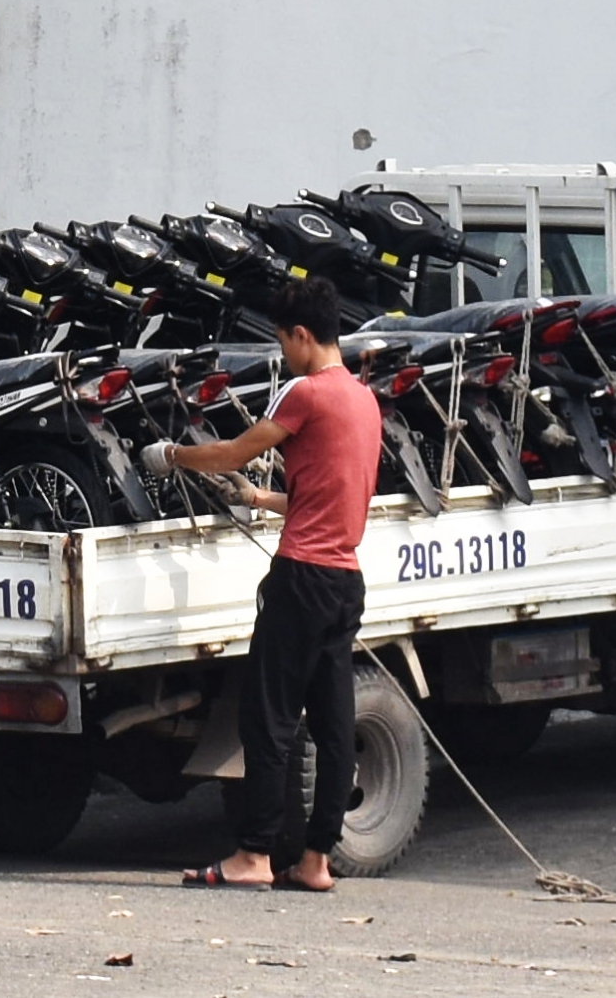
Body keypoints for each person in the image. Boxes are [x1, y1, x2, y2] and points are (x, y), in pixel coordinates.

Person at [138, 275, 382, 892]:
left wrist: (173, 455)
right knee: (332, 724)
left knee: (267, 718)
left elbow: (233, 451)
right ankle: (317, 859)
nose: (282, 354)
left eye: (282, 342)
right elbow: (326, 494)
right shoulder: (362, 399)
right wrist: (258, 499)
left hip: (300, 578)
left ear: (302, 336)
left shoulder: (306, 393)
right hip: (345, 580)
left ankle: (253, 855)